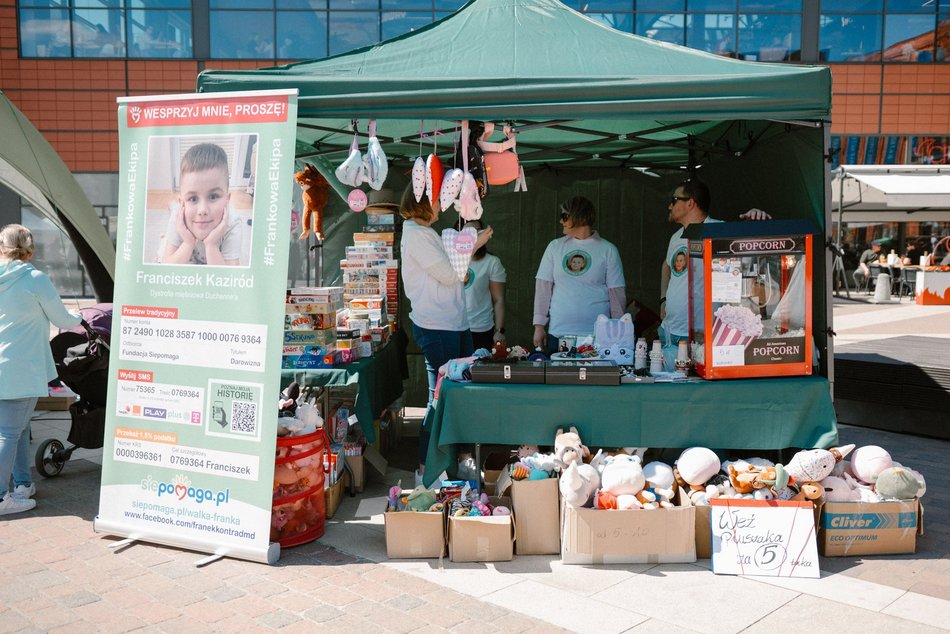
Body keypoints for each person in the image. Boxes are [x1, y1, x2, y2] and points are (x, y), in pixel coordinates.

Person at [400, 186, 492, 486]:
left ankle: (456, 464)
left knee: (458, 396)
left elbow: (458, 275)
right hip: (437, 326)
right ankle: (428, 469)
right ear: (424, 202)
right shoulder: (416, 234)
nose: (444, 204)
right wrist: (474, 245)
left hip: (454, 323)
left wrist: (465, 255)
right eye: (439, 198)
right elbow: (452, 274)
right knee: (439, 398)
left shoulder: (426, 232)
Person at [0, 224, 81, 516]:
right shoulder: (35, 279)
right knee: (9, 434)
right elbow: (63, 318)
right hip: (20, 368)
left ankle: (22, 484)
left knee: (19, 431)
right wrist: (80, 316)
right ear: (30, 250)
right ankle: (1, 498)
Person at [659, 179, 769, 344]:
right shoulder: (676, 236)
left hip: (701, 334)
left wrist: (755, 218)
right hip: (669, 329)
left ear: (690, 203)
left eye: (674, 200)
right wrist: (663, 300)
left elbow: (748, 253)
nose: (670, 206)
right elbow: (667, 265)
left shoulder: (719, 231)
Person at [533, 196, 626, 353]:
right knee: (559, 377)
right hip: (558, 332)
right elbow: (543, 288)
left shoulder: (608, 249)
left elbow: (616, 294)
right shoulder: (554, 247)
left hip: (597, 335)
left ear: (579, 216)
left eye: (564, 216)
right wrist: (539, 326)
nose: (561, 221)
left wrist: (617, 331)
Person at [162, 143, 243, 266]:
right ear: (182, 204)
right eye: (193, 198)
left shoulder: (233, 223)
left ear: (227, 200)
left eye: (213, 196)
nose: (202, 210)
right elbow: (166, 268)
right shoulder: (178, 217)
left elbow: (231, 279)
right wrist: (188, 243)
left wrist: (211, 245)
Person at [461, 219, 507, 353]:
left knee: (478, 371)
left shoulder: (492, 262)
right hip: (453, 327)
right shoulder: (449, 259)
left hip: (480, 329)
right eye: (468, 232)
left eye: (477, 231)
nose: (473, 235)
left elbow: (498, 300)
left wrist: (499, 331)